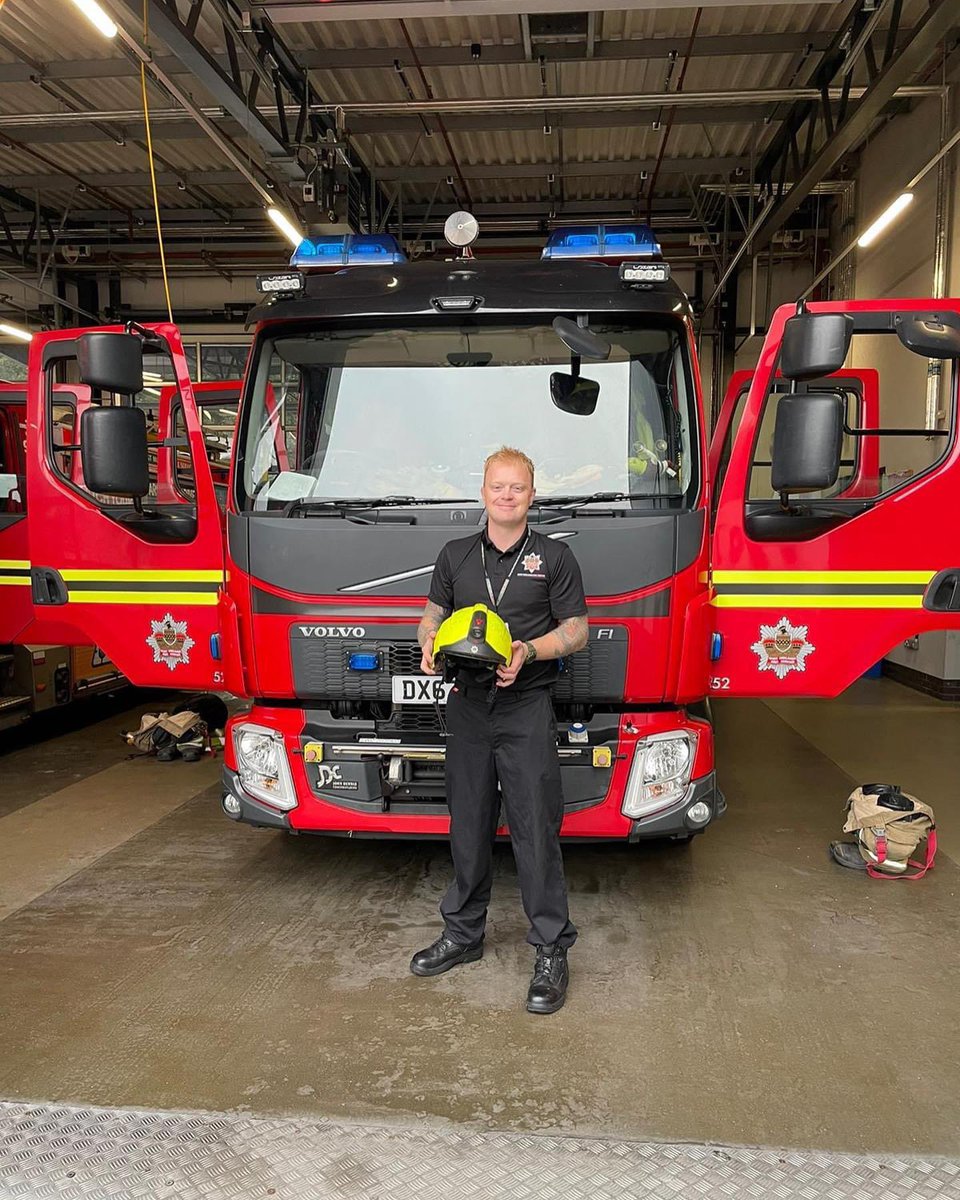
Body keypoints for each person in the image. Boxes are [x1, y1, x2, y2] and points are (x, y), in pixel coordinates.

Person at [411, 446, 589, 1014]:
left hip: (525, 706)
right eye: (497, 486)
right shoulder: (455, 554)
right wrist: (427, 645)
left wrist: (530, 650)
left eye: (517, 487)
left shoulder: (554, 558)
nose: (506, 495)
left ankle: (550, 950)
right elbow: (432, 615)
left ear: (532, 495)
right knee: (468, 824)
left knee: (536, 828)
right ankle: (463, 936)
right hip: (466, 706)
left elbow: (578, 630)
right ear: (482, 492)